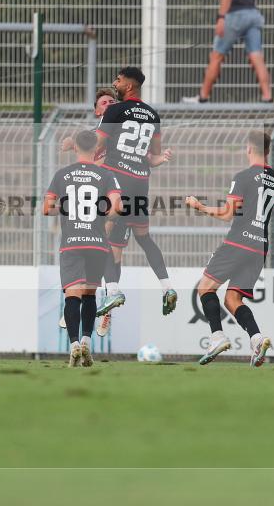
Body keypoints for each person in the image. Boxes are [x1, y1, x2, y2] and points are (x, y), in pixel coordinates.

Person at [185, 130, 274, 366]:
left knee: (205, 288)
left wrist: (199, 207)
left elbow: (227, 214)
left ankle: (217, 337)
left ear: (248, 148)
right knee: (232, 299)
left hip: (238, 242)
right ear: (268, 150)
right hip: (259, 248)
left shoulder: (243, 177)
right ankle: (257, 339)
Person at [93, 67, 177, 323]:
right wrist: (160, 158)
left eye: (118, 80)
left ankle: (112, 292)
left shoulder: (115, 111)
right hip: (140, 183)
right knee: (144, 238)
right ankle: (167, 287)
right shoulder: (152, 115)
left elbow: (97, 144)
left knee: (100, 236)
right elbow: (153, 157)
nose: (115, 83)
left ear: (129, 85)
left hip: (116, 181)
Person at [43, 130, 122, 367]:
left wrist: (67, 210)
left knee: (72, 295)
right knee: (89, 294)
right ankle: (87, 341)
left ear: (75, 147)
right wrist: (105, 217)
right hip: (96, 243)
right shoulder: (106, 174)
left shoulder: (62, 175)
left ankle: (74, 345)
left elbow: (46, 208)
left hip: (72, 243)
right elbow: (117, 207)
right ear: (96, 149)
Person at [58, 87, 118, 336]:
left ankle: (108, 305)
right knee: (88, 243)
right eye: (104, 102)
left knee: (105, 243)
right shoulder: (95, 134)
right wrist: (71, 142)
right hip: (91, 196)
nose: (109, 105)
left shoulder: (119, 132)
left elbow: (111, 161)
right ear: (96, 110)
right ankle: (77, 299)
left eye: (112, 101)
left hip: (112, 193)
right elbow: (82, 147)